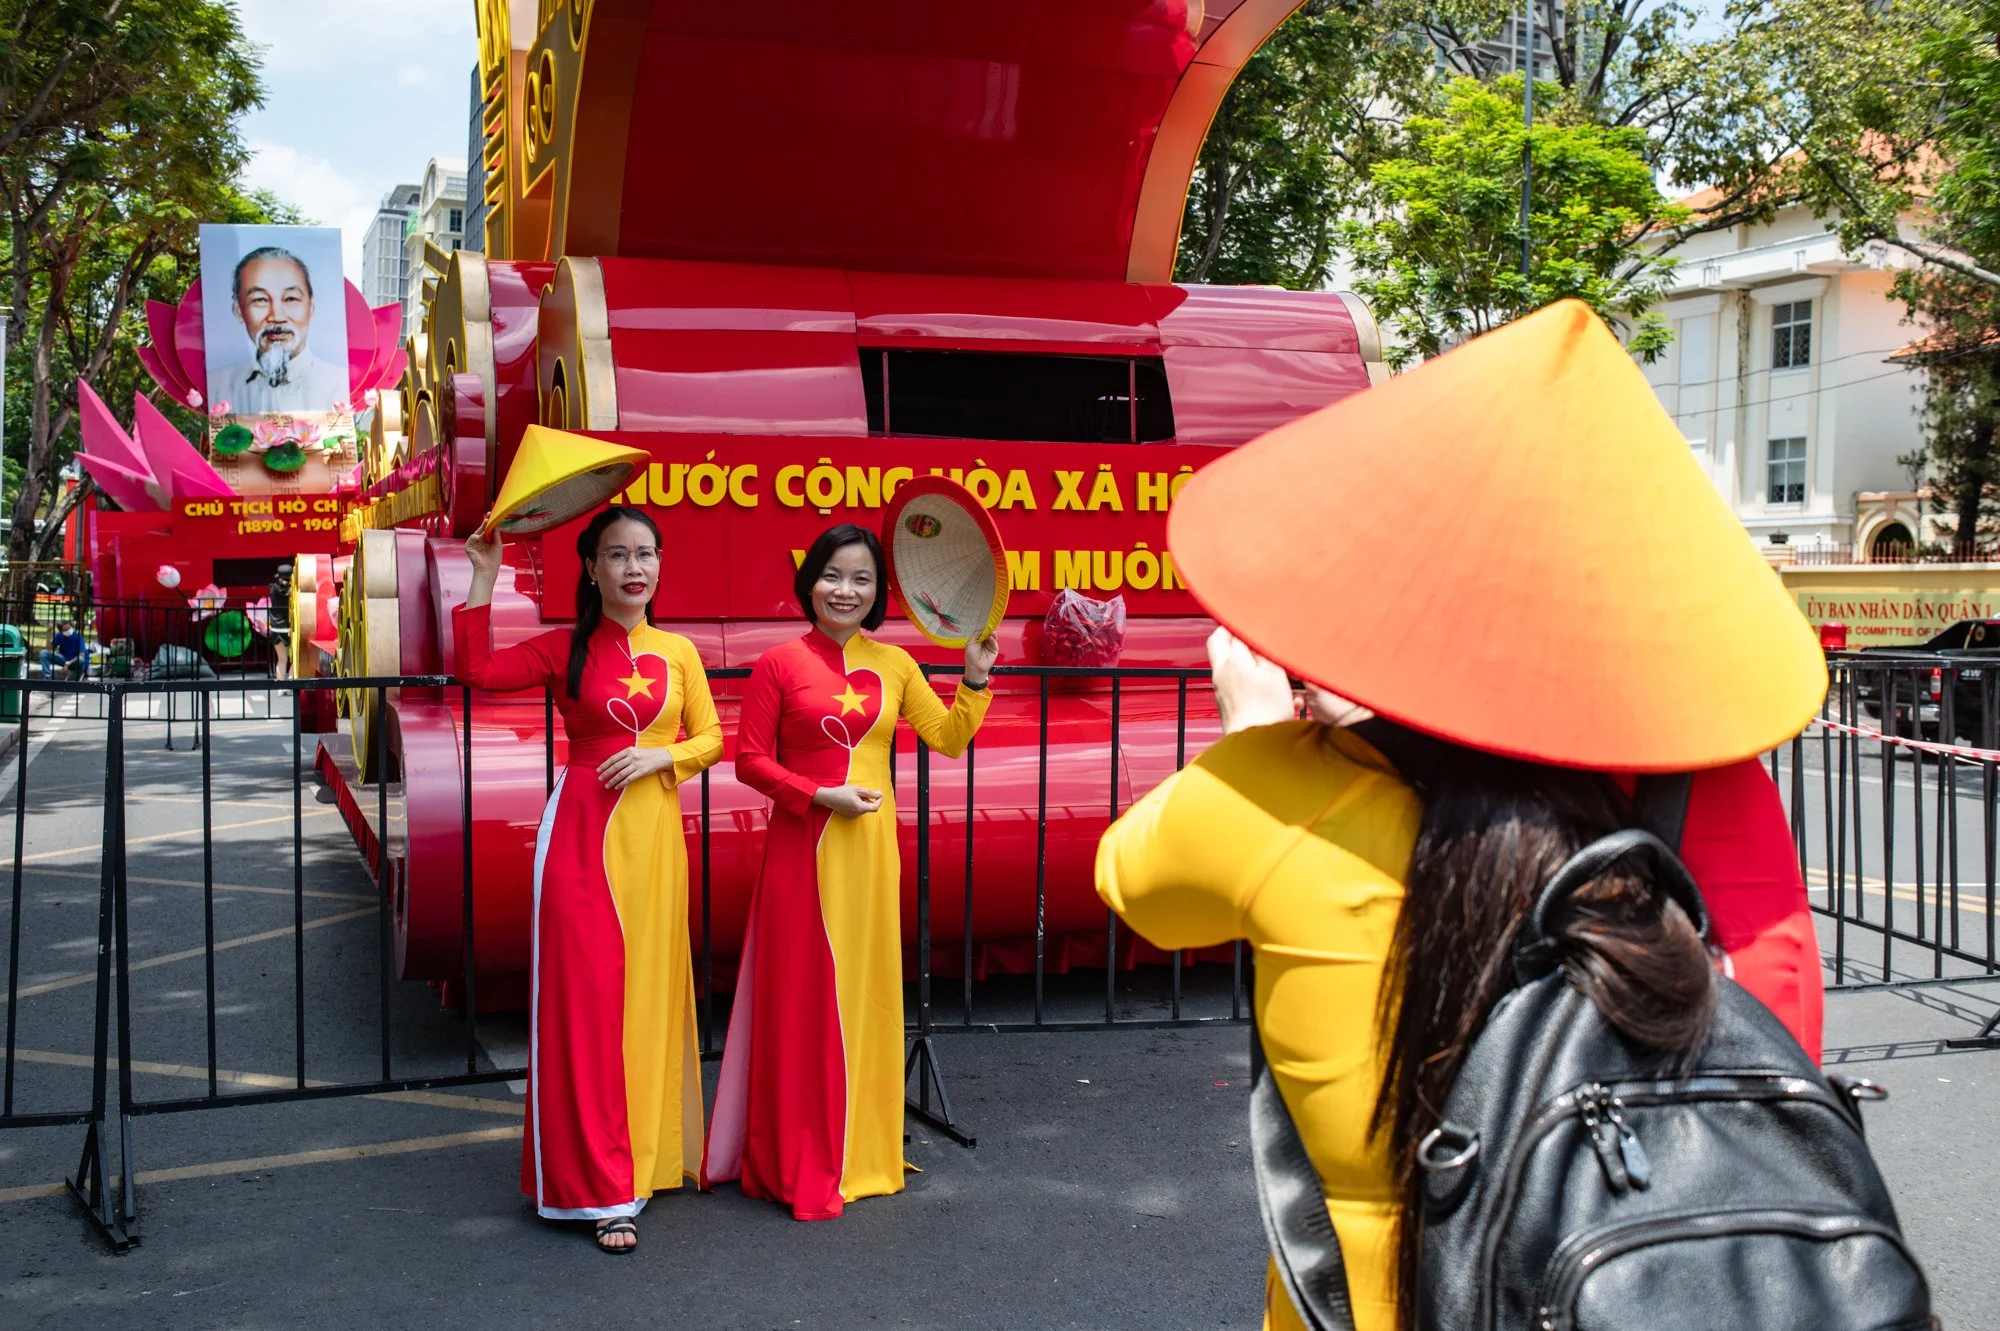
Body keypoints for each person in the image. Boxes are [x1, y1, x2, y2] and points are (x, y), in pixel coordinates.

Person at [1094, 300, 1829, 1331]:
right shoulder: (1710, 788)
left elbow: (1134, 886)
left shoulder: (1278, 790)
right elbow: (1778, 1044)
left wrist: (1250, 739)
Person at [702, 523, 999, 1220]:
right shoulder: (779, 663)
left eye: (861, 579)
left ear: (878, 592)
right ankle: (800, 1149)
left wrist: (975, 677)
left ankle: (859, 1146)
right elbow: (749, 761)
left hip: (869, 854)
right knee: (803, 994)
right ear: (810, 581)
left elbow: (948, 738)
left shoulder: (896, 664)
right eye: (833, 575)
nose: (846, 590)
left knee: (864, 994)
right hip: (801, 851)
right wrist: (817, 795)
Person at [454, 505, 722, 1254]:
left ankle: (645, 1160)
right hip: (582, 842)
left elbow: (710, 736)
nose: (634, 568)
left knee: (645, 1002)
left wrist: (663, 756)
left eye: (646, 554)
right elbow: (477, 672)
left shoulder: (680, 652)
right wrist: (483, 577)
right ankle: (599, 1190)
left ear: (660, 565)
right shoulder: (562, 647)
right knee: (588, 1009)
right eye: (617, 554)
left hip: (655, 846)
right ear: (592, 568)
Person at [209, 247, 349, 416]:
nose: (277, 316)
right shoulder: (216, 388)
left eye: (291, 299)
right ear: (238, 310)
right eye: (260, 300)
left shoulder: (340, 386)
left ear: (311, 307)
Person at [267, 567, 293, 680]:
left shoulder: (273, 588)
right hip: (290, 628)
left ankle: (281, 686)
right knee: (295, 660)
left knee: (281, 659)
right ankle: (291, 683)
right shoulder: (293, 591)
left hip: (276, 628)